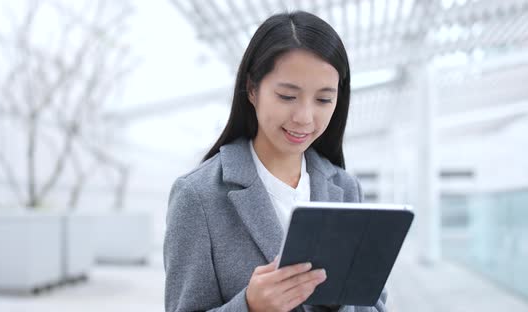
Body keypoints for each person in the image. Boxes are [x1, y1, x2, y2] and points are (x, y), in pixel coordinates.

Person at [164, 10, 388, 312]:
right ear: (253, 89)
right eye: (287, 96)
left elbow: (376, 306)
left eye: (323, 100)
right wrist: (249, 306)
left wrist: (340, 304)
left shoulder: (347, 190)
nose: (305, 117)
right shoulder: (198, 197)